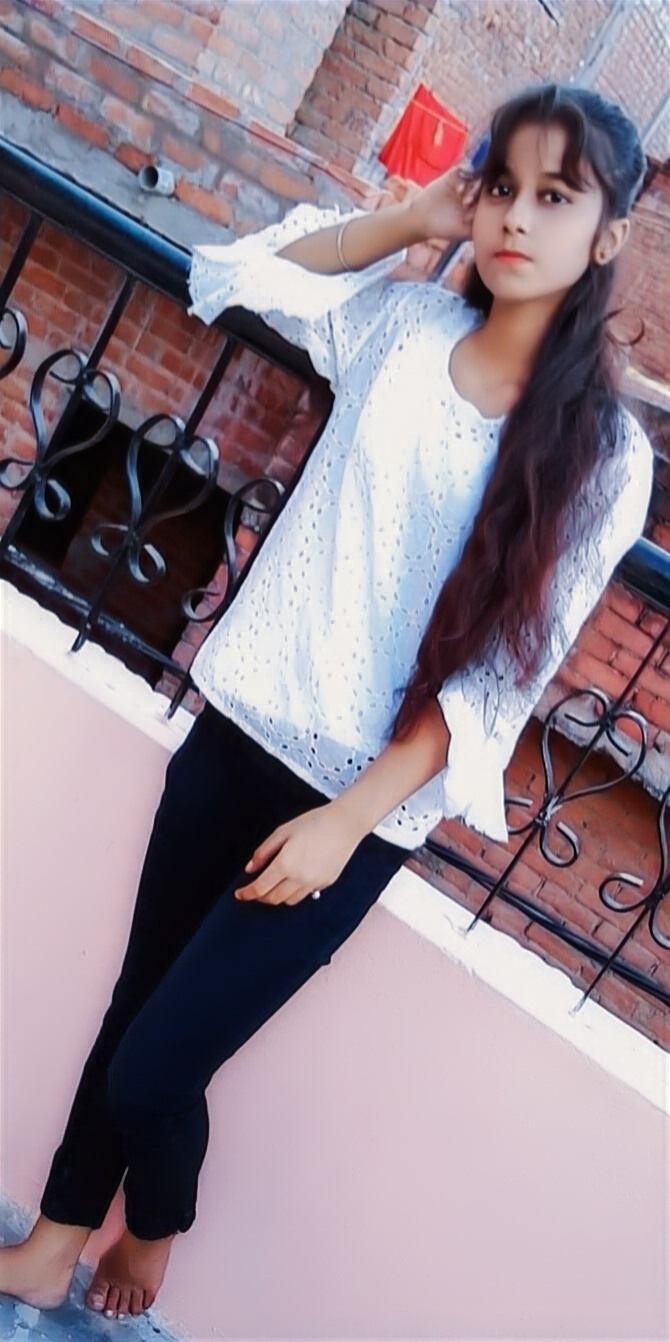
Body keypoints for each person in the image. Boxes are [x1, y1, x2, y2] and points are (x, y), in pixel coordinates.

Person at [0, 83, 654, 1320]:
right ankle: (47, 1247)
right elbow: (240, 273)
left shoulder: (605, 459)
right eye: (500, 186)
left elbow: (500, 678)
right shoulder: (401, 330)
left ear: (609, 232)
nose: (516, 218)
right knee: (136, 1001)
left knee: (155, 1066)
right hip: (239, 725)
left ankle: (159, 1225)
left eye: (555, 197)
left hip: (359, 802)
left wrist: (346, 822)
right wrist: (409, 217)